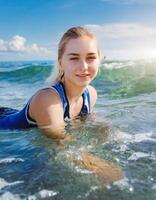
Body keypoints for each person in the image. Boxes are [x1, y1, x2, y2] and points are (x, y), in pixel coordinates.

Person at [0, 26, 101, 139]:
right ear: (61, 63)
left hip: (10, 113)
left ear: (99, 60)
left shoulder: (91, 95)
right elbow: (64, 147)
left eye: (90, 57)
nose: (83, 67)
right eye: (74, 58)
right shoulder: (47, 100)